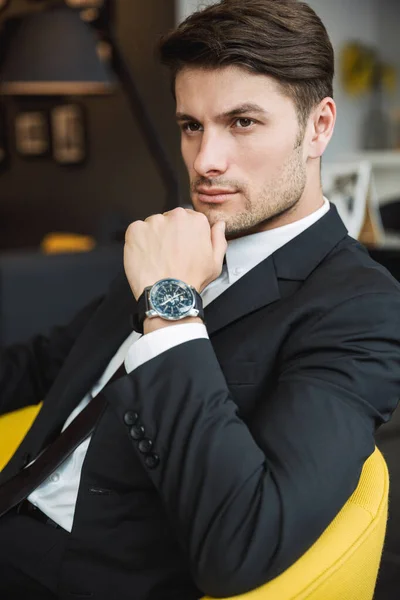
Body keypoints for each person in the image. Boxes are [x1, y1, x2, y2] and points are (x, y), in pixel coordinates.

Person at [1, 1, 400, 598]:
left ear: (317, 127)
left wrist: (169, 306)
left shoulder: (362, 307)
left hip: (84, 577)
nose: (206, 162)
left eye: (242, 122)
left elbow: (242, 542)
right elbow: (43, 363)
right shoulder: (173, 236)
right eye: (192, 125)